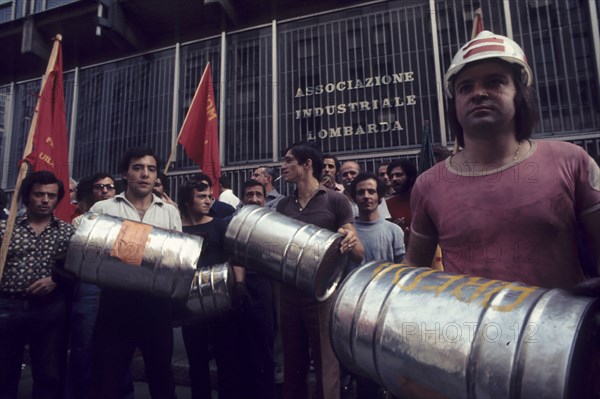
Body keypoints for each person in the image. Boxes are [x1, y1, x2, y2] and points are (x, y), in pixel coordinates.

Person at [407, 30, 600, 290]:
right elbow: (413, 273)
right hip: (465, 329)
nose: (478, 93)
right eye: (466, 87)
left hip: (559, 328)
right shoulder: (428, 184)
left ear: (519, 94)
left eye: (494, 82)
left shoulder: (572, 161)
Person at [88, 147, 182, 399]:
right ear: (124, 174)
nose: (145, 174)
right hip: (116, 302)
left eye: (151, 169)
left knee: (162, 375)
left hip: (157, 304)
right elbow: (91, 254)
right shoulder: (103, 208)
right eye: (137, 168)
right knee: (107, 375)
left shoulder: (170, 211)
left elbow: (175, 258)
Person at [277, 142, 364, 399]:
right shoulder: (283, 206)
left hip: (323, 297)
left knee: (327, 366)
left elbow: (359, 253)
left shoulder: (336, 201)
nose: (283, 166)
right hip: (289, 294)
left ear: (307, 166)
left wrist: (349, 241)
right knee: (293, 365)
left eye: (288, 161)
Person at [0, 171, 75, 399]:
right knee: (4, 373)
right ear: (27, 196)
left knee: (49, 375)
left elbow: (76, 270)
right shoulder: (5, 229)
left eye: (51, 196)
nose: (45, 200)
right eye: (39, 194)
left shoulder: (68, 232)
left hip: (49, 310)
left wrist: (56, 280)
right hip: (7, 307)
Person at [177, 180, 242, 399]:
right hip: (190, 307)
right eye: (201, 196)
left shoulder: (220, 224)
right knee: (197, 363)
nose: (208, 200)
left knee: (226, 360)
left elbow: (235, 257)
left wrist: (240, 285)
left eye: (209, 196)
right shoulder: (177, 228)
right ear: (187, 201)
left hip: (221, 305)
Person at [346, 172, 404, 398]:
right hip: (355, 310)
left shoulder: (394, 231)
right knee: (364, 372)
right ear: (353, 197)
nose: (366, 196)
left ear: (380, 196)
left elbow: (402, 271)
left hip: (387, 310)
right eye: (360, 192)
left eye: (371, 191)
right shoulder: (348, 234)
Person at [65, 172, 116, 399]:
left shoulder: (123, 218)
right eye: (99, 187)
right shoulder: (79, 222)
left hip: (117, 288)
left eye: (110, 187)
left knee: (116, 348)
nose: (105, 191)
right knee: (84, 346)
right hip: (88, 287)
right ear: (90, 193)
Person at [235, 178, 277, 399]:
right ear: (243, 199)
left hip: (266, 288)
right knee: (242, 347)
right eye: (249, 194)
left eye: (258, 195)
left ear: (264, 199)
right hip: (240, 288)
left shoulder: (274, 223)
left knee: (264, 346)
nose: (253, 198)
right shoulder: (235, 222)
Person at [386, 158, 417, 244]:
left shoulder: (422, 201)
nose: (394, 179)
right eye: (391, 176)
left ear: (410, 177)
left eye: (398, 175)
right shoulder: (387, 205)